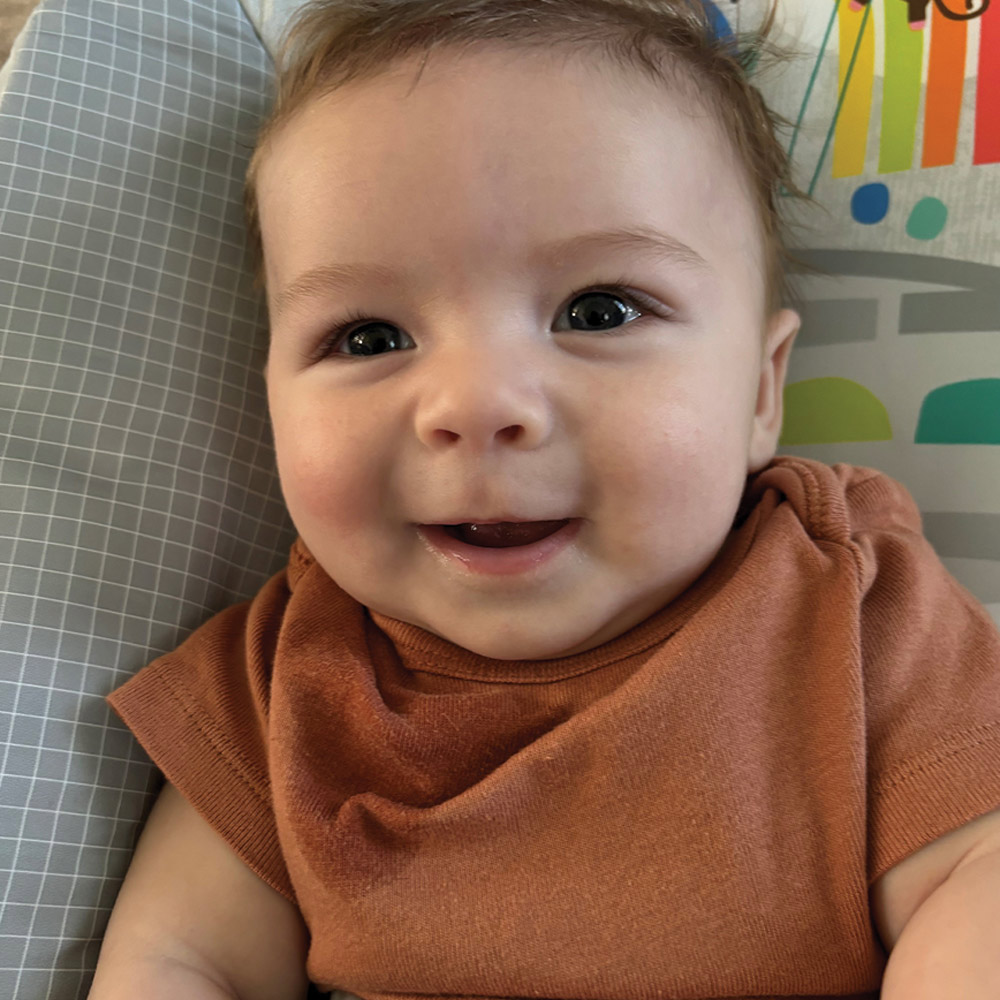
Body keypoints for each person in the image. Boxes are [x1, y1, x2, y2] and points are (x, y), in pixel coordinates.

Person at [89, 2, 1000, 998]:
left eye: (597, 311)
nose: (477, 405)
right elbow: (184, 959)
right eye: (368, 336)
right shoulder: (277, 689)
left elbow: (976, 875)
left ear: (758, 391)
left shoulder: (848, 610)